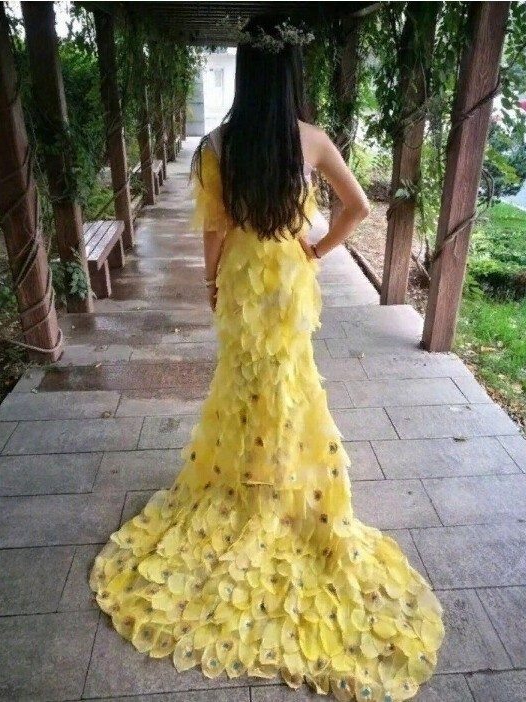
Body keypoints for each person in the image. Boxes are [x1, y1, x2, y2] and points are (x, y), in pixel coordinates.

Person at [89, 14, 444, 702]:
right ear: (290, 73)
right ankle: (282, 480)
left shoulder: (218, 144)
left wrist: (212, 286)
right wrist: (315, 250)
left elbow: (215, 231)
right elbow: (358, 207)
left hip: (245, 279)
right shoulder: (311, 139)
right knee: (291, 382)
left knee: (242, 383)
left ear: (247, 73)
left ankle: (246, 478)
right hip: (287, 278)